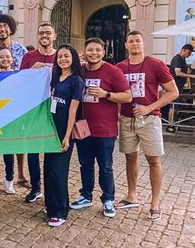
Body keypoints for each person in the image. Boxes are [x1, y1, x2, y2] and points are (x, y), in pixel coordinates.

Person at [116, 31, 178, 221]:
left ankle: (155, 203)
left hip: (150, 119)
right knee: (130, 158)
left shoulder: (155, 64)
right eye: (131, 41)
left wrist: (148, 107)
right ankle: (132, 195)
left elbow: (173, 92)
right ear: (126, 45)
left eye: (138, 41)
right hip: (127, 119)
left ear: (143, 44)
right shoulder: (119, 67)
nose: (134, 44)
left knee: (154, 161)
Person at [70, 37, 132, 218]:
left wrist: (107, 94)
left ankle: (108, 199)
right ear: (84, 51)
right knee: (85, 164)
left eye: (98, 50)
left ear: (103, 52)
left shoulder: (113, 72)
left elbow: (127, 97)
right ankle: (86, 195)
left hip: (105, 129)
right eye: (90, 50)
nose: (94, 53)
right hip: (82, 128)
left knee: (105, 166)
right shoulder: (79, 71)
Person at [0, 15, 28, 196]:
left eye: (5, 26)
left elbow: (28, 74)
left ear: (11, 28)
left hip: (15, 103)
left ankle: (16, 176)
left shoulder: (20, 49)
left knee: (14, 142)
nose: (2, 29)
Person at [44, 44, 84, 227]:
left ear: (73, 58)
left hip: (63, 130)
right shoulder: (55, 77)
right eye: (60, 56)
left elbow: (73, 111)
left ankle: (61, 210)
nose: (63, 59)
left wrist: (67, 137)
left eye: (66, 56)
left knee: (59, 171)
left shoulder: (76, 81)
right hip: (50, 129)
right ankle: (50, 205)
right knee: (49, 168)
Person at [20, 22, 58, 202]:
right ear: (37, 36)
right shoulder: (28, 56)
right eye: (41, 32)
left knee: (53, 149)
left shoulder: (61, 56)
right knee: (33, 150)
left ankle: (53, 187)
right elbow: (19, 82)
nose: (45, 36)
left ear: (54, 36)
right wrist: (30, 71)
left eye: (48, 33)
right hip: (33, 109)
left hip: (55, 108)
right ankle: (36, 187)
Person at [0, 47, 17, 195]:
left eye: (7, 56)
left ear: (12, 59)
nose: (5, 59)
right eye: (1, 57)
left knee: (9, 153)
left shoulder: (19, 75)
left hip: (11, 120)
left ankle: (9, 181)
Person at [167, 44, 194, 132]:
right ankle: (170, 125)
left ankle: (173, 124)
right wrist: (191, 76)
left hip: (179, 85)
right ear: (183, 50)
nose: (189, 55)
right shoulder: (177, 59)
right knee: (173, 105)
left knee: (177, 105)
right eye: (189, 52)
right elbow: (178, 72)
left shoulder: (183, 59)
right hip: (175, 85)